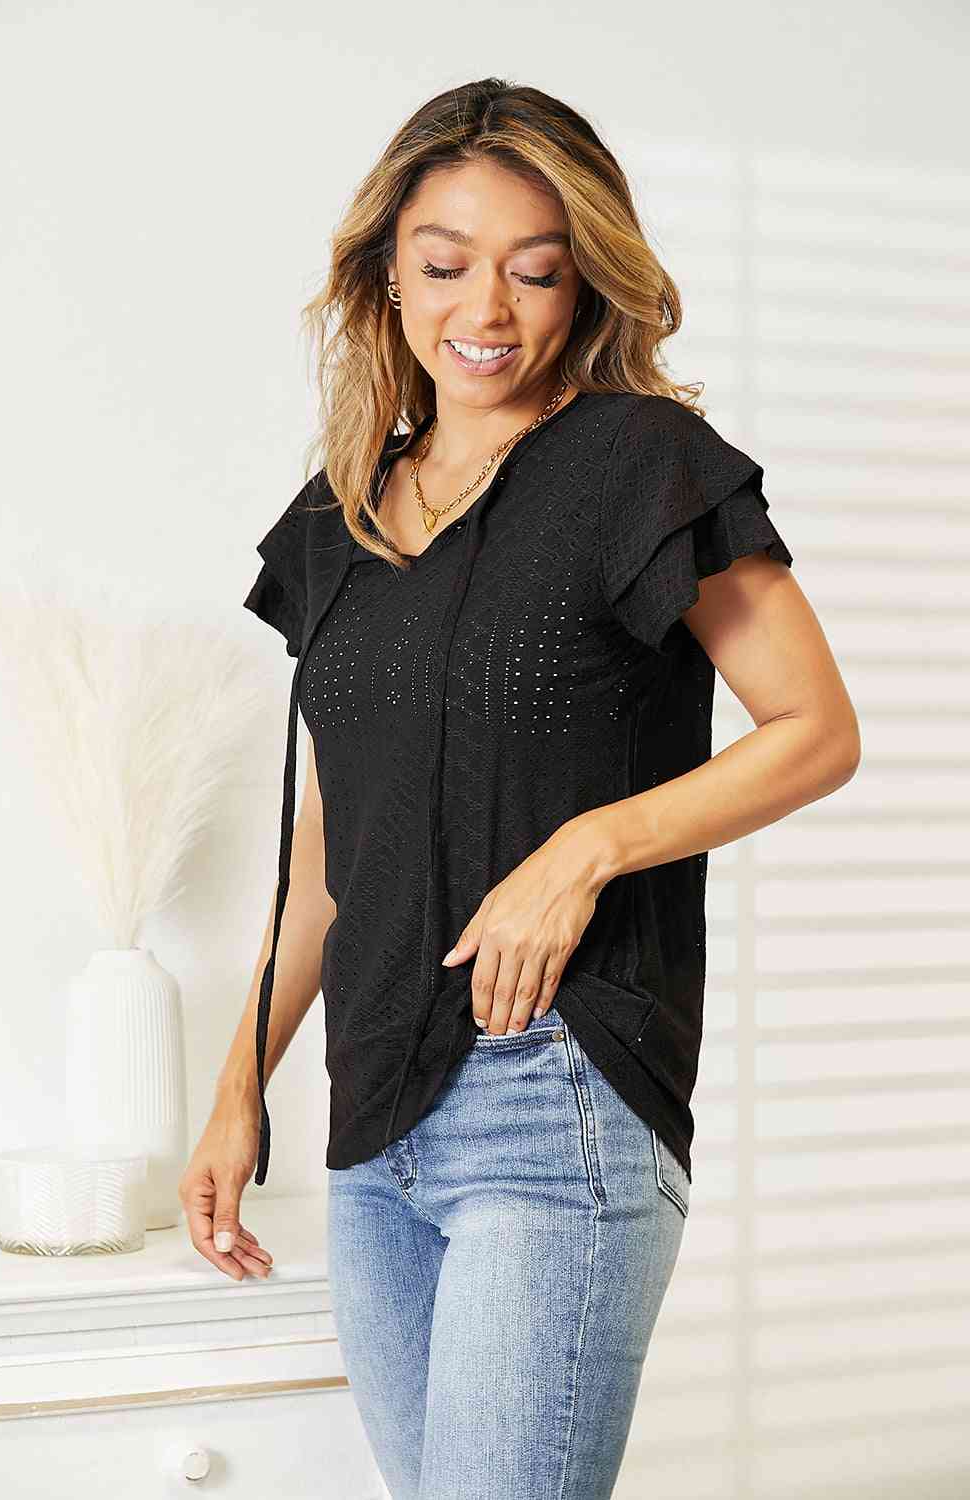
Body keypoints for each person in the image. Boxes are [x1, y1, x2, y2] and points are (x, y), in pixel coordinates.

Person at [179, 78, 861, 1499]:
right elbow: (329, 853)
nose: (486, 307)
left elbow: (815, 729)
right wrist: (239, 1083)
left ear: (584, 279)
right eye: (445, 265)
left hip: (551, 1098)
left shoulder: (640, 462)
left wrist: (585, 850)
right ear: (386, 275)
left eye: (535, 271)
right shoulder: (341, 514)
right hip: (369, 1126)